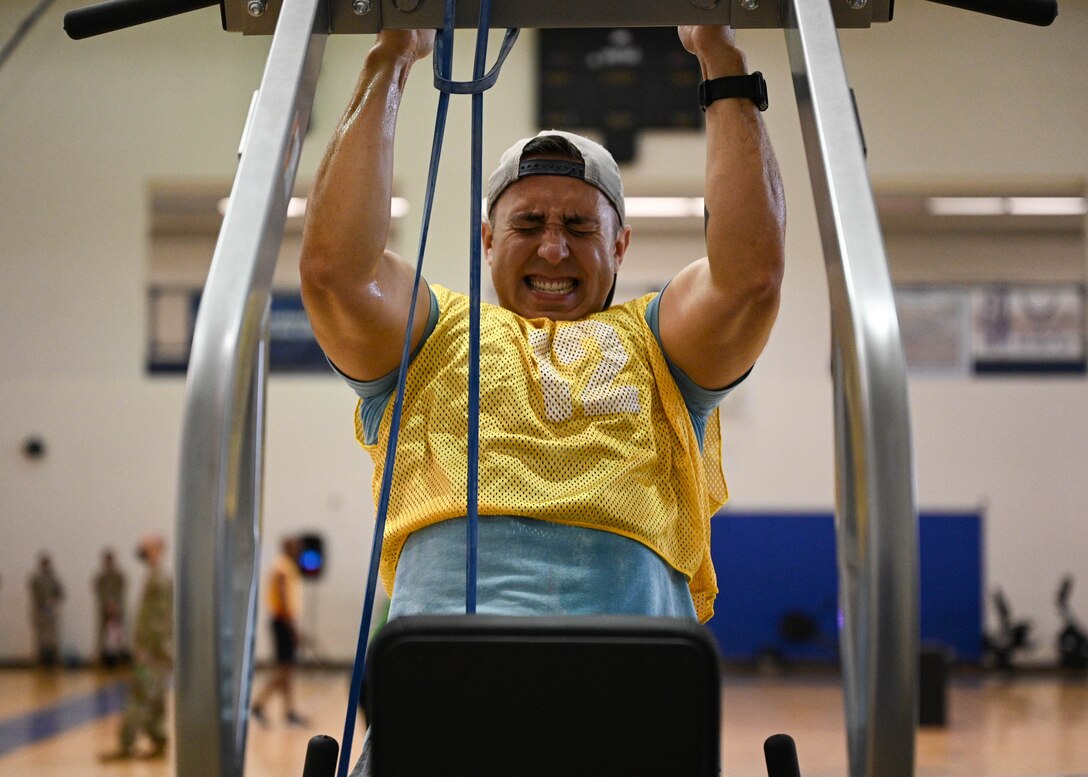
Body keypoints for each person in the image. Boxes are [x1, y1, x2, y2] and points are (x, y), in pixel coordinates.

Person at [301, 25, 783, 624]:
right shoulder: (434, 332)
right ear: (488, 239)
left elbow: (750, 280)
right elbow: (334, 274)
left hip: (629, 688)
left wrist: (720, 56)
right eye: (527, 225)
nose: (553, 250)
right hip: (448, 686)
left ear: (621, 245)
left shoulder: (658, 343)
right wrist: (393, 54)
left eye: (580, 228)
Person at [101, 535, 173, 761]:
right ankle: (159, 741)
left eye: (146, 546)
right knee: (154, 696)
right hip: (156, 651)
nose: (141, 550)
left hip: (152, 652)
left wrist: (145, 649)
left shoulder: (160, 578)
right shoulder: (154, 576)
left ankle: (126, 744)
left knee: (140, 695)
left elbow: (160, 619)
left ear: (158, 549)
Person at [251, 536, 308, 726]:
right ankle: (258, 704)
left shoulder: (287, 567)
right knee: (284, 669)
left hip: (284, 622)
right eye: (296, 546)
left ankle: (289, 712)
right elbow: (283, 601)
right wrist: (293, 629)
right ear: (288, 548)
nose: (300, 550)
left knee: (288, 670)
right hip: (282, 622)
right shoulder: (283, 569)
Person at [28, 552, 65, 667]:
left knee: (52, 636)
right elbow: (34, 593)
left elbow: (60, 593)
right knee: (40, 636)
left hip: (51, 610)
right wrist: (43, 601)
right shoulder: (36, 578)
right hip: (40, 610)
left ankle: (53, 660)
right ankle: (41, 660)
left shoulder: (54, 579)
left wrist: (53, 601)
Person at [93, 548, 128, 668]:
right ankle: (103, 659)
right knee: (104, 634)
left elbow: (121, 591)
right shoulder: (100, 577)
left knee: (117, 635)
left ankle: (119, 659)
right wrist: (107, 604)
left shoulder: (119, 576)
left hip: (117, 610)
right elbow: (99, 592)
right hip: (105, 611)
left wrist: (115, 605)